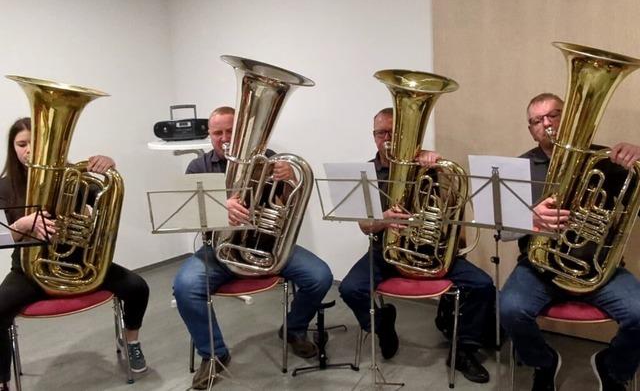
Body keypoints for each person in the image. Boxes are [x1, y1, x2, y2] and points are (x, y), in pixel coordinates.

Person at [173, 106, 333, 390]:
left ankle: (293, 329)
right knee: (185, 287)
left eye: (230, 131)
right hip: (218, 249)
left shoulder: (268, 160)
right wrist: (221, 208)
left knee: (320, 277)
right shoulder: (198, 167)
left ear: (242, 132)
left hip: (267, 245)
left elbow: (285, 206)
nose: (224, 138)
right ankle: (215, 354)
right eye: (217, 132)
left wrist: (288, 181)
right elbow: (190, 216)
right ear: (209, 136)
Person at [338, 107, 495, 384]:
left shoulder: (428, 167)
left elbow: (453, 205)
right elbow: (364, 225)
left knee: (482, 285)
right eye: (380, 133)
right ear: (373, 136)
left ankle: (464, 351)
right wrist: (383, 220)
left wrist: (440, 167)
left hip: (429, 251)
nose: (386, 139)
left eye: (392, 133)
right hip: (385, 250)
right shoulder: (367, 172)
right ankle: (382, 324)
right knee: (350, 289)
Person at [500, 93, 640, 391]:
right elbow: (500, 232)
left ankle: (612, 368)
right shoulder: (517, 168)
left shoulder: (609, 161)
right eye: (537, 121)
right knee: (510, 309)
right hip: (539, 267)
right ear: (531, 130)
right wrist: (531, 220)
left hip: (599, 267)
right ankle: (544, 362)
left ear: (570, 117)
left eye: (554, 115)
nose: (546, 124)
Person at [0, 117, 150, 391]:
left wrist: (109, 168)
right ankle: (2, 379)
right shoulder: (5, 186)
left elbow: (105, 200)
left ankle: (131, 343)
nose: (29, 150)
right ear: (13, 148)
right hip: (28, 269)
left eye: (36, 143)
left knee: (137, 286)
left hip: (78, 262)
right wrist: (21, 226)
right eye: (22, 144)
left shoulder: (73, 175)